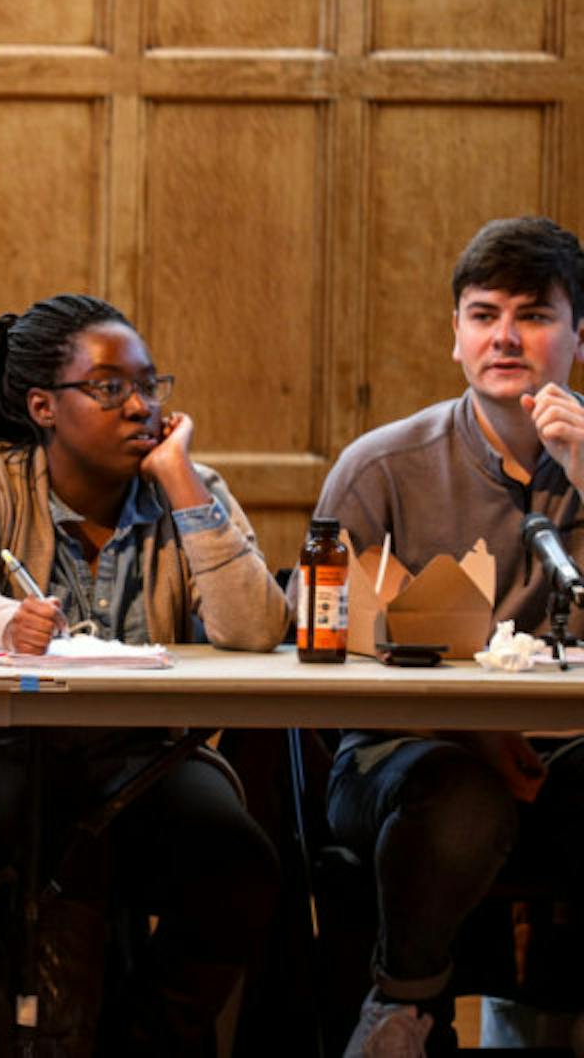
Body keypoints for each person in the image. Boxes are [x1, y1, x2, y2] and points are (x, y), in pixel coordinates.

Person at [0, 293, 288, 1055]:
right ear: (44, 406)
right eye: (110, 387)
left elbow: (254, 629)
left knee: (241, 861)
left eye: (150, 386)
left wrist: (183, 485)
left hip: (144, 757)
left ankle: (150, 1037)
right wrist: (2, 623)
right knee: (55, 818)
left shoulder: (188, 487)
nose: (141, 407)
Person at [315, 216, 584, 1057]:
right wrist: (467, 724)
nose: (505, 336)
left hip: (565, 759)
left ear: (579, 335)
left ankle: (555, 1005)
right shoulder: (382, 466)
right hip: (405, 756)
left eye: (534, 314)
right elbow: (316, 638)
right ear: (456, 338)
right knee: (459, 795)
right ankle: (403, 1007)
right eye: (482, 314)